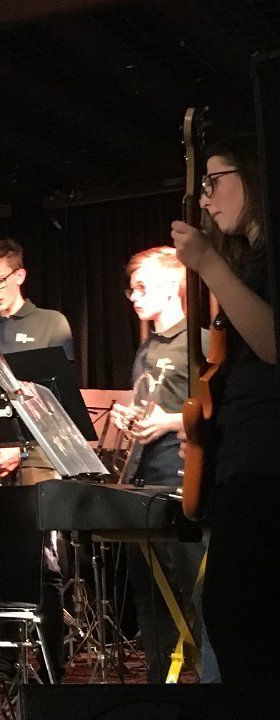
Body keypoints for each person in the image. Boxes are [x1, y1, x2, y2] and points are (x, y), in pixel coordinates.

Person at [170, 133, 280, 686]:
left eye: (214, 181)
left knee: (238, 616)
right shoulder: (251, 261)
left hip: (267, 461)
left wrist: (210, 263)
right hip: (244, 456)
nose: (206, 198)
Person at [0, 238, 74, 688]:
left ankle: (52, 668)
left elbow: (57, 399)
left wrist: (21, 449)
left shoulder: (51, 323)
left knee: (41, 563)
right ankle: (2, 668)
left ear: (20, 275)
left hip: (36, 460)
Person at [111, 246, 207, 682]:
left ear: (172, 286)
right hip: (143, 481)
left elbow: (214, 412)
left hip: (182, 481)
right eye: (131, 288)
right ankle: (159, 682)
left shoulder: (199, 341)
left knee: (193, 589)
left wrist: (168, 421)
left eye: (142, 287)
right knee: (150, 594)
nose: (133, 296)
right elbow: (147, 403)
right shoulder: (147, 347)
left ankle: (206, 681)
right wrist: (128, 416)